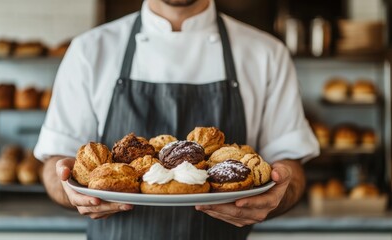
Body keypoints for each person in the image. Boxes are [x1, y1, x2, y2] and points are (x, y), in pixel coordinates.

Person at [34, 0, 319, 239]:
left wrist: (280, 192)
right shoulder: (89, 50)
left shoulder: (266, 54)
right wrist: (69, 188)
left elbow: (290, 168)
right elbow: (55, 165)